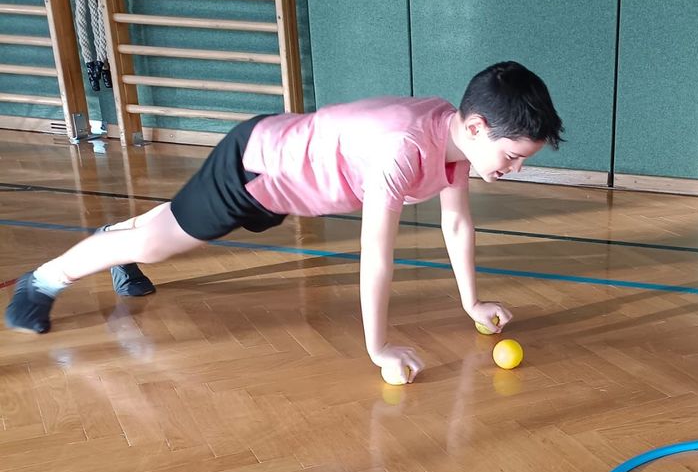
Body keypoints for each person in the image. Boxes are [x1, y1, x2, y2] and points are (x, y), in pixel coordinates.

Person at [5, 61, 564, 384]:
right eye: (512, 155)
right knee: (157, 243)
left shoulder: (454, 138)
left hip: (288, 178)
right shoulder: (403, 149)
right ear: (476, 126)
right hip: (257, 168)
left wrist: (470, 302)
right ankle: (44, 280)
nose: (513, 169)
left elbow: (457, 224)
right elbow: (376, 257)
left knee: (163, 230)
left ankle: (119, 244)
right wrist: (379, 348)